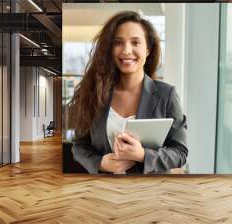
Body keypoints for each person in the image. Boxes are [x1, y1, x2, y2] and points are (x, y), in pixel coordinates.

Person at [69, 11, 188, 174]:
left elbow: (180, 152)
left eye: (135, 42)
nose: (126, 50)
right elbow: (79, 145)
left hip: (152, 193)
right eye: (118, 43)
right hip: (104, 191)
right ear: (110, 49)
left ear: (148, 49)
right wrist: (100, 163)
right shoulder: (92, 93)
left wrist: (143, 155)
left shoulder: (166, 95)